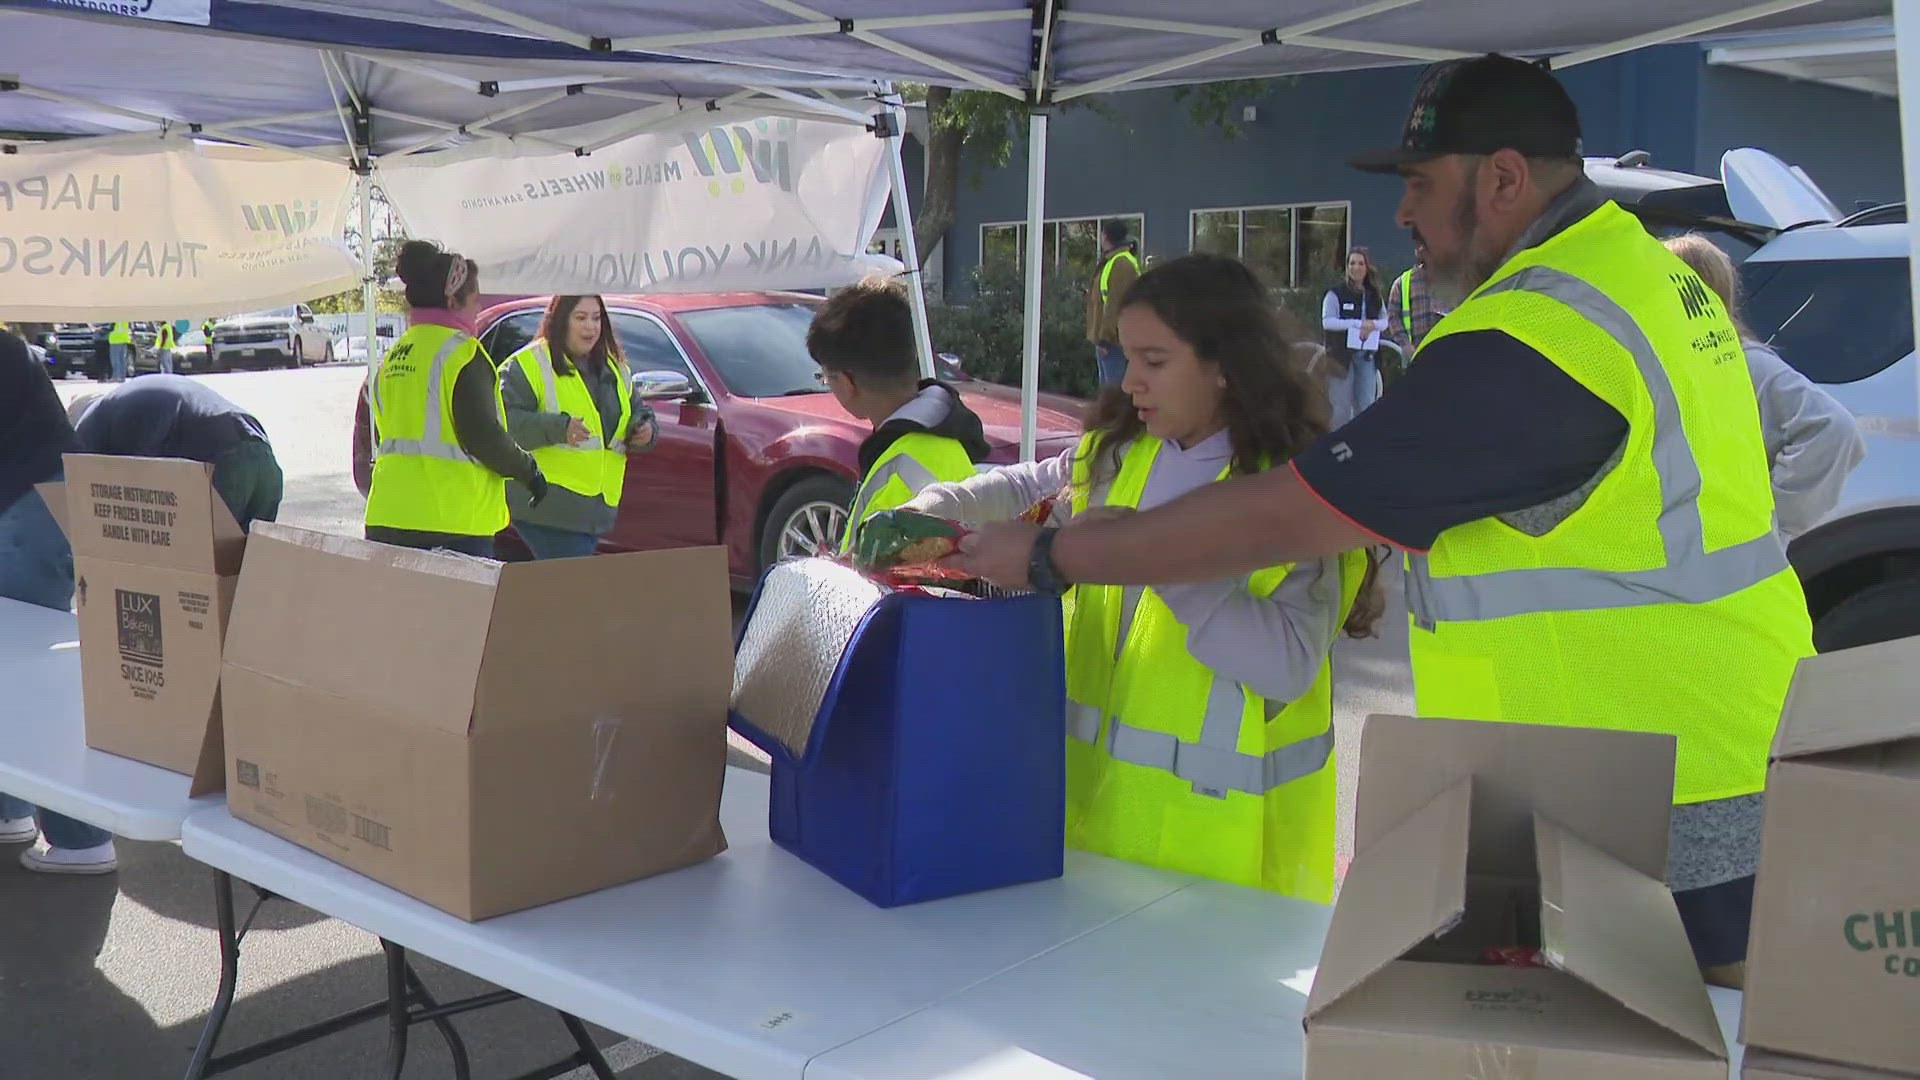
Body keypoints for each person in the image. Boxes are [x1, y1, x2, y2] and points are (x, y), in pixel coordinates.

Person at [953, 54, 1811, 988]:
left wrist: (1054, 553)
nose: (1400, 215)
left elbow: (1298, 511)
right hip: (1682, 740)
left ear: (1505, 178)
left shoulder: (1541, 332)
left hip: (1655, 781)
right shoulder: (1640, 276)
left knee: (1657, 1037)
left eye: (1418, 183)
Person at [891, 254, 1382, 901]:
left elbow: (1286, 664)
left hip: (1218, 866)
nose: (1130, 384)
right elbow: (1030, 485)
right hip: (1087, 830)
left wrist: (1148, 555)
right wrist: (937, 508)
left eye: (1155, 362)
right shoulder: (1122, 452)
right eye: (1127, 360)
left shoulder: (1294, 494)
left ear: (1225, 367)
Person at [0, 329, 119, 874]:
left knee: (31, 675)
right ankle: (13, 808)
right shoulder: (10, 344)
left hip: (23, 508)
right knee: (26, 666)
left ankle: (80, 837)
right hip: (59, 496)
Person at [1663, 234, 1865, 542]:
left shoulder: (1743, 363)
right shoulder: (1670, 363)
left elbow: (1833, 428)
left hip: (1731, 562)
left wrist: (1769, 516)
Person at [364, 240, 546, 558]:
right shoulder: (463, 354)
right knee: (460, 610)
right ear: (454, 300)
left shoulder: (392, 356)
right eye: (475, 300)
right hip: (451, 522)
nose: (477, 309)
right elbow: (483, 435)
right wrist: (528, 472)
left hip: (387, 516)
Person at [807, 278, 990, 547]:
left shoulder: (897, 474)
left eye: (825, 377)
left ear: (847, 383)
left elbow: (873, 582)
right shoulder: (947, 437)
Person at [499, 295, 658, 559]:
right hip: (547, 511)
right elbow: (504, 424)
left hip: (594, 511)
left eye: (596, 318)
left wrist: (646, 431)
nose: (591, 327)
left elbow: (639, 411)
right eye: (581, 318)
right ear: (561, 321)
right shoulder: (528, 364)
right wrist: (559, 428)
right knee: (574, 595)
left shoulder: (615, 367)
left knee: (564, 596)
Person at [69, 374, 284, 530]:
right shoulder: (127, 401)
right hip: (261, 452)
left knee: (201, 571)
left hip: (222, 461)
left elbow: (82, 485)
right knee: (249, 569)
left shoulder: (92, 422)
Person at [1320, 248, 1387, 425]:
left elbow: (1384, 321)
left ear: (1367, 267)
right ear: (1347, 267)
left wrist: (1372, 325)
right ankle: (1336, 444)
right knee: (1340, 407)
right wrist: (1356, 324)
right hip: (1341, 356)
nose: (1356, 267)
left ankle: (1362, 446)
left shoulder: (1374, 295)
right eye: (1352, 263)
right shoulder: (1335, 293)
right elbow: (1328, 322)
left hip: (1366, 356)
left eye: (1360, 263)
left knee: (1366, 404)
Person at [1088, 220, 1141, 388]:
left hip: (1114, 342)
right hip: (1108, 340)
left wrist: (1105, 339)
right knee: (1108, 393)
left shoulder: (1121, 263)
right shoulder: (1114, 260)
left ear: (1106, 237)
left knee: (1114, 395)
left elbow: (1116, 304)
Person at [1386, 234, 1447, 356]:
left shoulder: (1450, 278)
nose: (1421, 249)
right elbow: (1393, 317)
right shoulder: (1402, 283)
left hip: (1447, 349)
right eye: (1418, 246)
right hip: (1416, 352)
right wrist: (1405, 344)